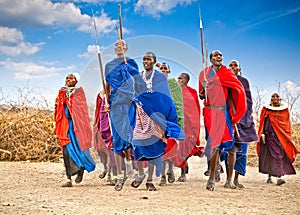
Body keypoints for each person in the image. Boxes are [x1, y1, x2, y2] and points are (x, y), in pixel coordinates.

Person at [130, 52, 185, 191]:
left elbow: (164, 97)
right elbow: (133, 93)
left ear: (154, 61)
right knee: (137, 143)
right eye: (144, 59)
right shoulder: (138, 77)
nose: (146, 61)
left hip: (155, 115)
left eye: (149, 59)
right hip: (141, 114)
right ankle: (141, 174)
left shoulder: (160, 77)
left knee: (154, 146)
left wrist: (165, 116)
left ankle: (149, 180)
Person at [198, 50, 247, 191]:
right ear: (211, 59)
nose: (219, 57)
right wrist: (204, 87)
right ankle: (212, 177)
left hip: (224, 112)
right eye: (215, 55)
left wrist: (236, 115)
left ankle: (229, 180)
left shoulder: (227, 73)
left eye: (220, 55)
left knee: (228, 146)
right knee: (214, 144)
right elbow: (202, 96)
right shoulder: (204, 74)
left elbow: (238, 90)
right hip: (210, 112)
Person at [104, 39, 138, 191]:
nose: (119, 47)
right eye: (117, 45)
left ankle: (133, 167)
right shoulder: (109, 66)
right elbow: (107, 85)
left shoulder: (131, 63)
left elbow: (138, 82)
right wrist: (107, 101)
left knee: (130, 136)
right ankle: (119, 176)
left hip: (129, 102)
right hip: (116, 104)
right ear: (114, 48)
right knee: (117, 139)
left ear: (127, 48)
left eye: (122, 45)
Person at [220, 60, 258, 188]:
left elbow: (248, 102)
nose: (233, 67)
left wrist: (245, 118)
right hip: (228, 119)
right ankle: (228, 179)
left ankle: (236, 179)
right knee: (229, 149)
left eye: (235, 65)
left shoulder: (244, 81)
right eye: (230, 65)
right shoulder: (224, 80)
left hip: (243, 121)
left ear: (239, 68)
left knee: (241, 151)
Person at [54, 73, 96, 187]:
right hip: (65, 126)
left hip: (77, 127)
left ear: (76, 81)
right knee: (66, 152)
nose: (68, 80)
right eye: (66, 78)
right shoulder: (61, 92)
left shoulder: (79, 93)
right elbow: (57, 108)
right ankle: (68, 180)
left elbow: (81, 110)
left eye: (71, 78)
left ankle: (81, 170)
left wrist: (69, 102)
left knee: (80, 151)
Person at [256, 93, 299, 185]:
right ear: (271, 98)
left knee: (278, 155)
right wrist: (261, 134)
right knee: (268, 156)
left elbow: (286, 125)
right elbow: (263, 122)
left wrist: (286, 136)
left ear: (280, 99)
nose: (275, 98)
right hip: (268, 137)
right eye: (273, 96)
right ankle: (270, 176)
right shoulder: (265, 109)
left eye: (277, 97)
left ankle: (279, 177)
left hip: (280, 137)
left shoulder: (284, 111)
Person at [158, 63, 185, 186]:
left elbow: (178, 103)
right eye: (161, 69)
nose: (163, 70)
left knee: (169, 146)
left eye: (165, 69)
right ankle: (163, 175)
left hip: (171, 118)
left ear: (169, 71)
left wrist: (179, 121)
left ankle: (169, 170)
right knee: (160, 147)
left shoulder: (174, 84)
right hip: (158, 118)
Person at [176, 72, 204, 182]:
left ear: (186, 80)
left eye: (181, 78)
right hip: (180, 124)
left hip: (190, 124)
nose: (178, 80)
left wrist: (195, 122)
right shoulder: (175, 92)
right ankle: (183, 170)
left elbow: (195, 108)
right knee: (181, 148)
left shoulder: (192, 92)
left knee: (187, 148)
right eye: (178, 78)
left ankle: (184, 168)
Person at [93, 91, 117, 185]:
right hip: (101, 124)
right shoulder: (100, 95)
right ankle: (105, 169)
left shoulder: (116, 94)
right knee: (101, 150)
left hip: (112, 126)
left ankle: (110, 175)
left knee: (110, 151)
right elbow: (98, 110)